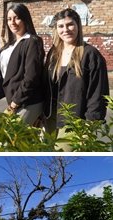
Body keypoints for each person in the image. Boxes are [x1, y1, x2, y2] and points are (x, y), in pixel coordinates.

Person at [44, 8, 109, 144]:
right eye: (61, 26)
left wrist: (90, 125)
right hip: (50, 119)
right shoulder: (53, 53)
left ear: (78, 25)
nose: (65, 30)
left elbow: (98, 94)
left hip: (75, 122)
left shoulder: (90, 54)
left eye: (70, 24)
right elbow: (46, 86)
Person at [0, 3, 45, 125]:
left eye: (17, 18)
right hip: (14, 100)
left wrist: (14, 104)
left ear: (25, 19)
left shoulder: (32, 41)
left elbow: (31, 77)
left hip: (28, 102)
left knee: (8, 139)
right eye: (9, 19)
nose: (12, 22)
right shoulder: (9, 45)